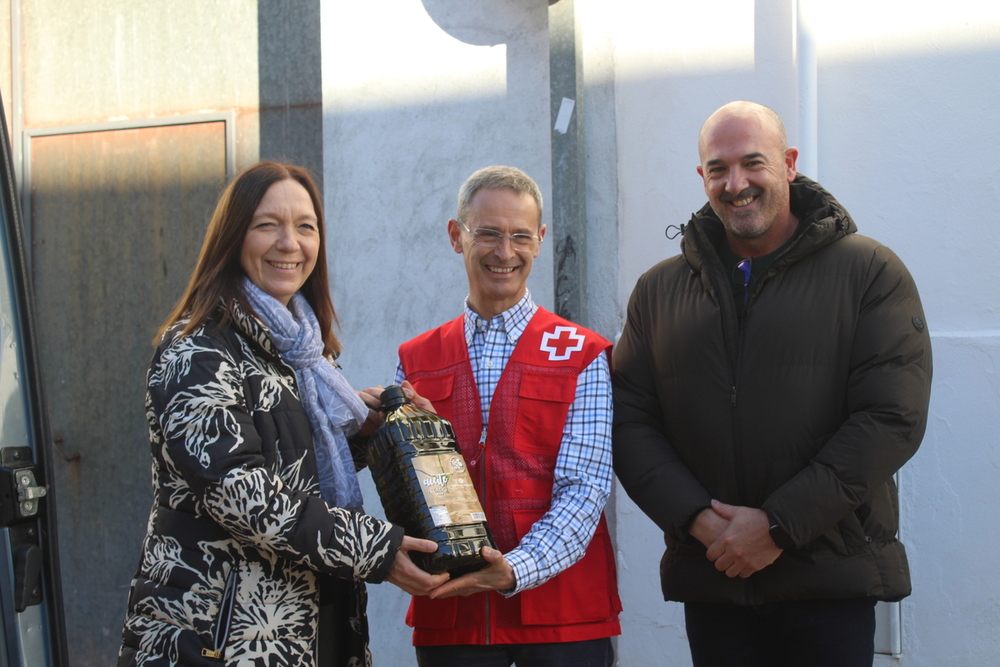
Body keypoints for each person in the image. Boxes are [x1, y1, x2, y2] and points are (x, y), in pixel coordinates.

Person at [612, 100, 933, 667]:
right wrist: (700, 521)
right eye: (718, 168)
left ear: (788, 163)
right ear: (702, 177)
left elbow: (891, 418)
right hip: (714, 575)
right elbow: (629, 419)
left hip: (829, 579)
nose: (735, 183)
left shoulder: (869, 272)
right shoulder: (658, 291)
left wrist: (778, 526)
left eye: (752, 163)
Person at [117, 161, 448, 667]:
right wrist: (377, 551)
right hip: (219, 636)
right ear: (233, 237)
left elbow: (294, 462)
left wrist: (369, 429)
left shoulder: (305, 351)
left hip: (316, 623)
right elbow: (239, 491)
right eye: (267, 224)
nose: (289, 243)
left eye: (305, 226)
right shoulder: (198, 349)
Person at [393, 166, 622, 667]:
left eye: (521, 236)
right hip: (453, 616)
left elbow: (585, 488)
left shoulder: (581, 353)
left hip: (563, 615)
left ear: (539, 241)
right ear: (457, 236)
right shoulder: (416, 358)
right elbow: (407, 483)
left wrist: (516, 569)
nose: (505, 252)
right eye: (488, 233)